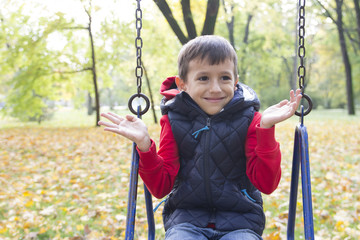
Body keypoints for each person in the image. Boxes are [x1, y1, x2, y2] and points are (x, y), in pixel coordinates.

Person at [98, 35, 302, 240]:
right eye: (203, 78)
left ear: (236, 81)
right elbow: (161, 187)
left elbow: (267, 184)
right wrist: (144, 145)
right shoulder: (174, 120)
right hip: (186, 221)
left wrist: (266, 128)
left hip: (241, 220)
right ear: (183, 83)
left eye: (225, 78)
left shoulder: (251, 119)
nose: (215, 88)